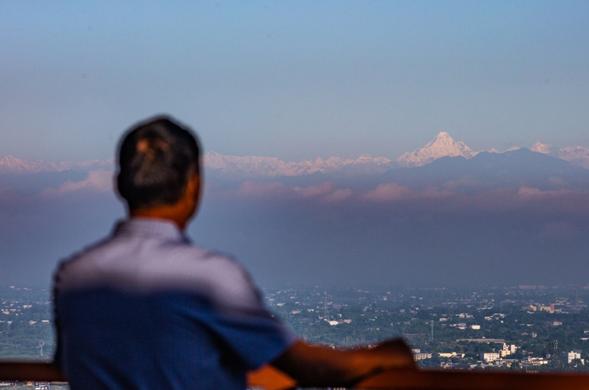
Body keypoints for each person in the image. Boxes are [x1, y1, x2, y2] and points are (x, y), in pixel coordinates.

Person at [53, 116, 415, 390]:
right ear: (194, 185)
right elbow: (308, 368)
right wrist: (384, 356)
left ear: (119, 185)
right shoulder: (209, 279)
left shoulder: (72, 277)